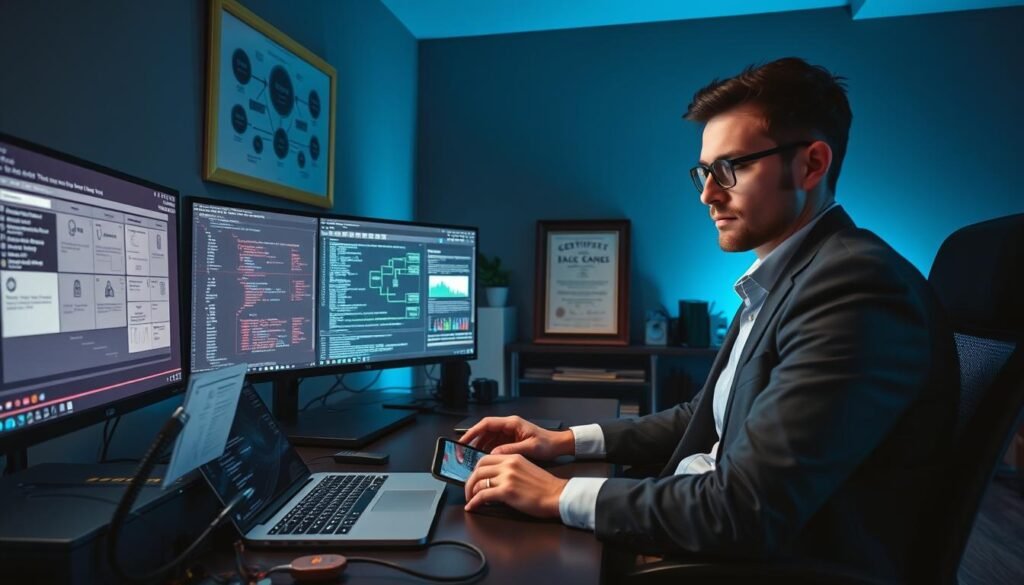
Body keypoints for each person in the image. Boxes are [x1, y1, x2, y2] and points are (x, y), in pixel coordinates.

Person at [461, 57, 958, 580]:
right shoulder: (795, 275)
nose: (707, 194)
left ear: (811, 165)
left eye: (729, 169)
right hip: (710, 526)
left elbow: (744, 513)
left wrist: (560, 495)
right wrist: (562, 441)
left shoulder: (855, 289)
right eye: (704, 172)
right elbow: (706, 414)